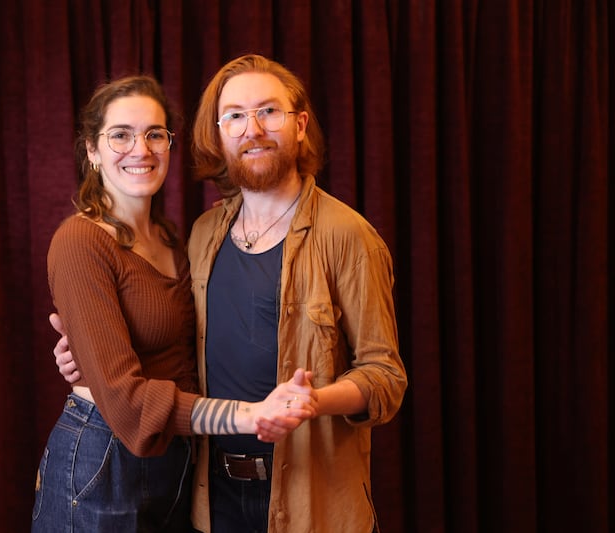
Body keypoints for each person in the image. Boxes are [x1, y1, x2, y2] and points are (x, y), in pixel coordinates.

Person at [54, 55, 408, 532]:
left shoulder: (347, 235)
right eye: (235, 116)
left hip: (309, 497)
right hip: (203, 493)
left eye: (269, 111)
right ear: (218, 134)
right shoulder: (203, 235)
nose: (252, 129)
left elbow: (385, 377)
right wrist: (87, 359)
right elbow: (169, 348)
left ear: (300, 125)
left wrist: (313, 403)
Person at [33, 74, 316, 533]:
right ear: (91, 149)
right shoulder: (80, 241)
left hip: (178, 460)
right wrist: (250, 414)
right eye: (120, 135)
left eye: (155, 135)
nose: (140, 150)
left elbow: (188, 351)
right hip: (104, 461)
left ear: (170, 144)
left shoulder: (173, 240)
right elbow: (124, 404)